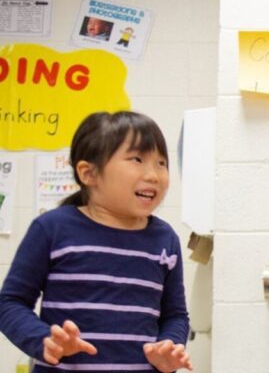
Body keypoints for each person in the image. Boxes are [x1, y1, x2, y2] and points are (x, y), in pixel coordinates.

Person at [0, 111, 192, 372]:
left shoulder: (165, 238)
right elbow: (10, 303)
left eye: (161, 163)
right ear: (88, 173)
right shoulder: (52, 228)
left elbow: (175, 315)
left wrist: (169, 346)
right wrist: (43, 340)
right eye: (137, 159)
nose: (154, 175)